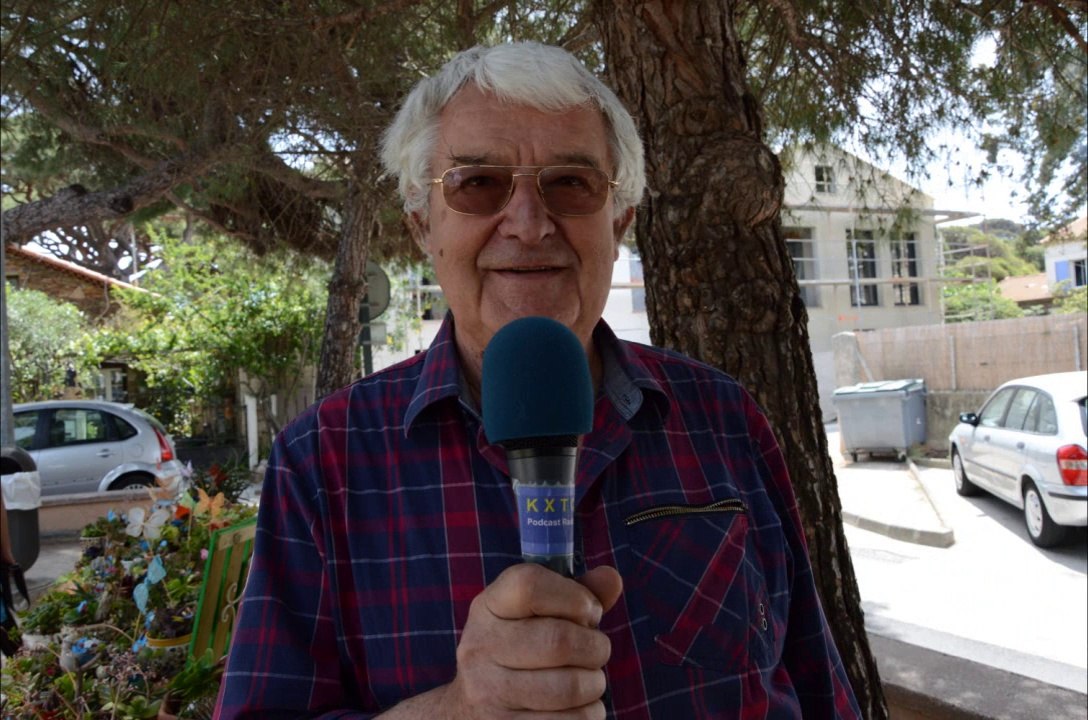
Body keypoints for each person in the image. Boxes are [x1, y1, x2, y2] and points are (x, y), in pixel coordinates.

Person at [217, 41, 861, 719]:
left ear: (621, 221)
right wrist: (459, 710)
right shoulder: (324, 459)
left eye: (571, 184)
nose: (528, 224)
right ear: (420, 226)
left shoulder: (723, 418)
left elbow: (816, 682)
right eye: (478, 184)